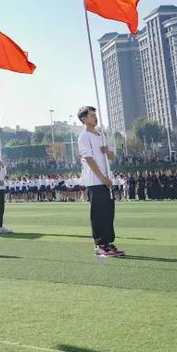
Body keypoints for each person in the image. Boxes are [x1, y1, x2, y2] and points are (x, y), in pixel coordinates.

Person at [76, 106, 124, 258]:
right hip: (95, 181)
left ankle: (108, 242)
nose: (95, 118)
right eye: (91, 115)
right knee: (98, 213)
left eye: (95, 115)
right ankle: (100, 245)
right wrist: (103, 178)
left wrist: (107, 151)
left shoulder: (101, 134)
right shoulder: (84, 137)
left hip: (107, 180)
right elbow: (89, 159)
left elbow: (111, 157)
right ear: (84, 119)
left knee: (109, 213)